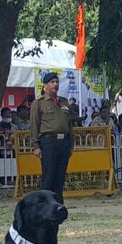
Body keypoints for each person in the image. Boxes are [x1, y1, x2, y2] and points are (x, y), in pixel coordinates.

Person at [31, 72, 74, 202]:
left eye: (57, 82)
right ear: (45, 86)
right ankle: (45, 205)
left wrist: (71, 144)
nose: (55, 84)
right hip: (48, 141)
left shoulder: (63, 102)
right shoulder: (39, 103)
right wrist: (36, 145)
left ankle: (58, 205)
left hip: (64, 142)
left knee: (60, 177)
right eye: (52, 82)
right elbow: (34, 124)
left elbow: (69, 124)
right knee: (48, 176)